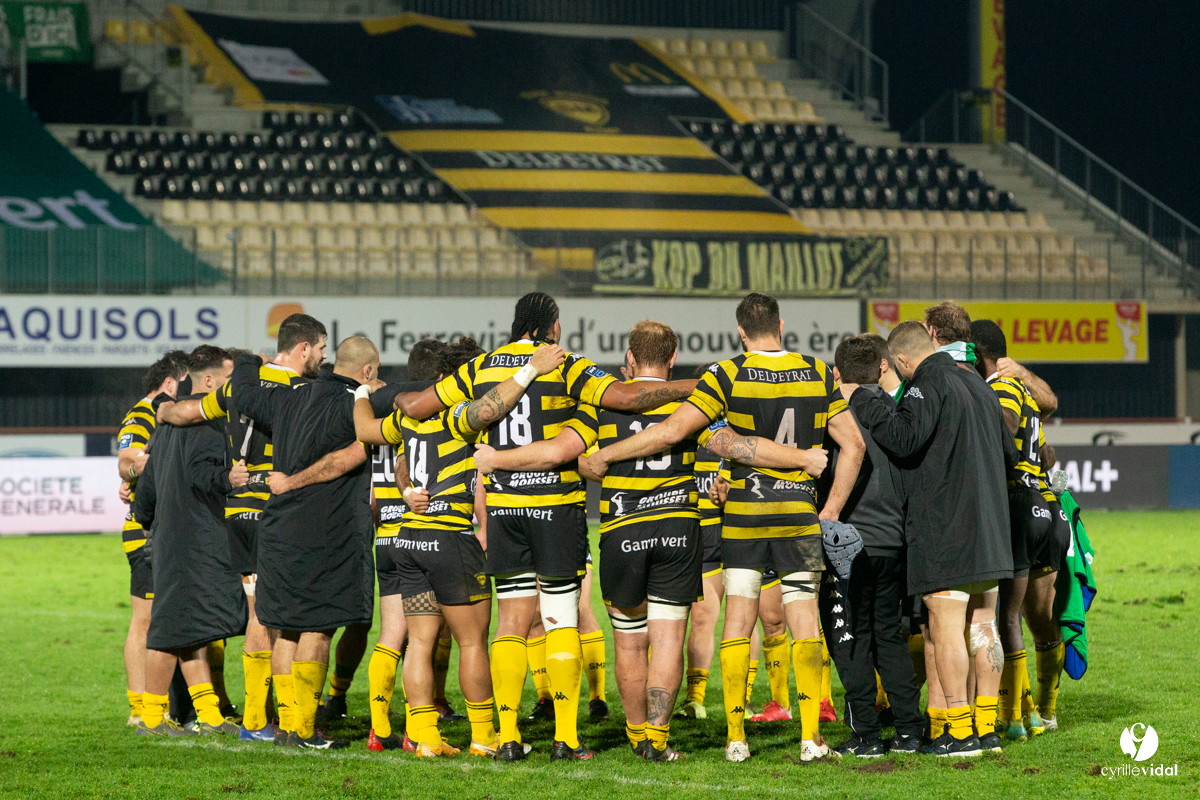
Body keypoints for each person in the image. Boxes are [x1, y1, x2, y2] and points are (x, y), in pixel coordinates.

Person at [396, 292, 698, 762]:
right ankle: (566, 738)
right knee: (560, 619)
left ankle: (510, 737)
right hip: (555, 507)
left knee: (511, 623)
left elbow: (418, 407)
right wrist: (695, 386)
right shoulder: (567, 364)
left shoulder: (482, 368)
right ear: (552, 326)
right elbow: (626, 395)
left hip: (502, 509)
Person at [582, 293, 864, 763]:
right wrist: (830, 510)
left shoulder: (727, 373)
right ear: (781, 324)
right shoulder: (817, 371)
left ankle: (736, 740)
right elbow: (852, 444)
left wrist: (608, 454)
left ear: (740, 332)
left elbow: (677, 432)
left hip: (744, 515)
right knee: (804, 623)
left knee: (737, 622)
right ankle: (811, 739)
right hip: (798, 514)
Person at [842, 320, 1017, 757]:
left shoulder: (929, 381)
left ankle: (957, 732)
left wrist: (865, 398)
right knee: (984, 626)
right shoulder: (978, 383)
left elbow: (903, 438)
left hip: (948, 529)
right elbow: (1009, 453)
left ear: (901, 360)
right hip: (991, 526)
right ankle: (986, 726)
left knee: (946, 627)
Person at [159, 313, 335, 742]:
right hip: (275, 511)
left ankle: (257, 720)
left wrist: (162, 408)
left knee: (258, 611)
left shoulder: (239, 387)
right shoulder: (302, 391)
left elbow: (187, 412)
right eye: (321, 349)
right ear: (303, 349)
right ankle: (286, 720)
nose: (323, 357)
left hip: (237, 512)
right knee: (288, 618)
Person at [231, 336, 383, 749]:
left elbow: (243, 394)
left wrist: (247, 361)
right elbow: (348, 457)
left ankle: (286, 726)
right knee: (318, 630)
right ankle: (302, 728)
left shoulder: (287, 397)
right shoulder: (357, 404)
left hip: (278, 530)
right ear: (367, 371)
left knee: (285, 631)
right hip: (325, 531)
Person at [131, 346, 246, 737]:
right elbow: (202, 474)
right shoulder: (208, 425)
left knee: (191, 627)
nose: (231, 389)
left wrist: (149, 522)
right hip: (194, 540)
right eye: (228, 379)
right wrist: (228, 479)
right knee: (170, 629)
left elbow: (146, 486)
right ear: (210, 382)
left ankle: (209, 713)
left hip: (169, 537)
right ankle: (150, 717)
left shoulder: (165, 425)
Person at [822, 336, 925, 757]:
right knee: (889, 636)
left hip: (849, 543)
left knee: (850, 638)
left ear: (837, 371)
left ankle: (865, 734)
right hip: (894, 541)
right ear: (882, 366)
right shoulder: (895, 412)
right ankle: (909, 731)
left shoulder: (834, 413)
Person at [972, 319, 1068, 741]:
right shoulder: (1027, 395)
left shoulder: (1003, 388)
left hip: (1019, 506)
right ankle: (1041, 709)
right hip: (1048, 508)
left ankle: (1014, 717)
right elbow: (1045, 452)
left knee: (1004, 615)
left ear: (977, 355)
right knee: (1039, 617)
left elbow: (1005, 430)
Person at [359, 338, 445, 752]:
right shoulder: (425, 415)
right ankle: (416, 728)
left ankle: (378, 729)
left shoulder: (381, 411)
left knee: (391, 635)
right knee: (421, 638)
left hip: (385, 536)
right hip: (419, 535)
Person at [116, 350, 188, 726]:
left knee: (163, 618)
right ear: (171, 384)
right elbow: (127, 460)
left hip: (162, 531)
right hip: (142, 533)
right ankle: (138, 709)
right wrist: (135, 474)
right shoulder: (142, 415)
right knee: (144, 619)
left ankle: (167, 706)